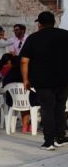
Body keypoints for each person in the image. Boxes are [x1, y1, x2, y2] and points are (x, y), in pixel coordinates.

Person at [20, 11, 68, 150]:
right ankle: (60, 137)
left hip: (42, 81)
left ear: (39, 24)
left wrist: (25, 79)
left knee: (47, 109)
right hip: (63, 79)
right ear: (54, 22)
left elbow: (24, 61)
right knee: (60, 108)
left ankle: (49, 142)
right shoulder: (65, 35)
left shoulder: (33, 38)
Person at [1, 55, 40, 134]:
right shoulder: (27, 74)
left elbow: (4, 86)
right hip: (28, 101)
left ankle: (24, 126)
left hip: (12, 101)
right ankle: (32, 125)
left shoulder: (9, 74)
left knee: (25, 100)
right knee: (36, 99)